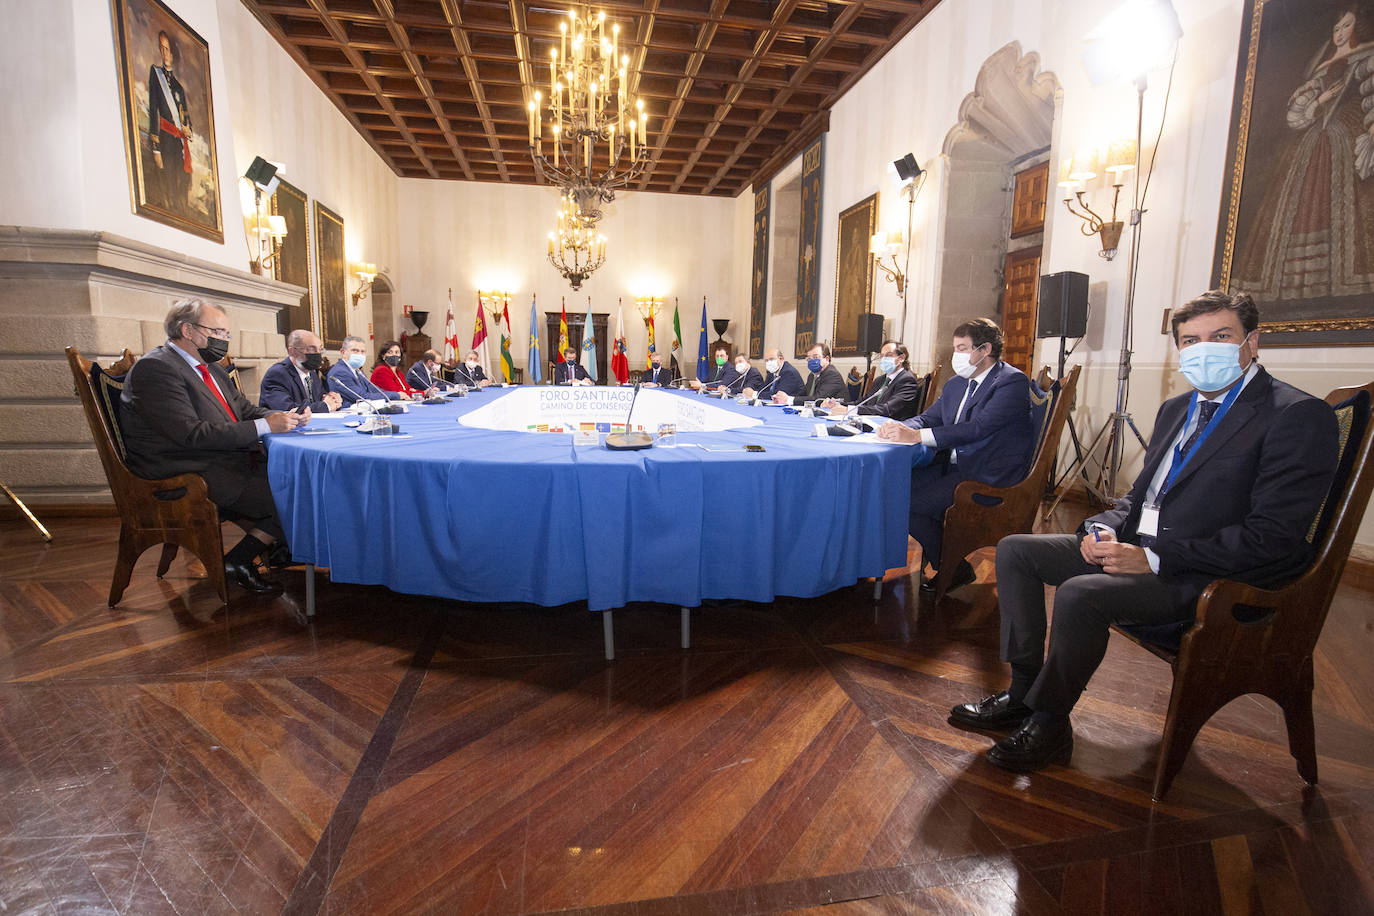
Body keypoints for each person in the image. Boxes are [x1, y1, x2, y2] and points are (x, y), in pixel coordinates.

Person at [949, 291, 1339, 775]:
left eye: (1221, 337)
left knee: (1080, 594)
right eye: (1191, 341)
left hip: (1209, 576)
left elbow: (1273, 538)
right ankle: (1025, 693)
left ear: (1251, 342)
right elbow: (1139, 498)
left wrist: (1155, 559)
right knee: (1015, 551)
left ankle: (1050, 722)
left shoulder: (1293, 414)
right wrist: (1101, 528)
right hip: (1142, 547)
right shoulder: (1177, 408)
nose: (1204, 350)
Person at [120, 298, 306, 595]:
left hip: (216, 458)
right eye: (218, 332)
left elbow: (243, 410)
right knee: (294, 493)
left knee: (298, 478)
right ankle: (238, 560)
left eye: (226, 334)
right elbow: (190, 434)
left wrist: (283, 417)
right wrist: (265, 427)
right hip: (181, 469)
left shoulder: (211, 367)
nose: (224, 340)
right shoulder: (155, 368)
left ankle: (276, 548)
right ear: (188, 330)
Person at [877, 318, 1036, 592]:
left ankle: (953, 567)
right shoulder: (956, 384)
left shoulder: (1011, 381)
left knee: (910, 502)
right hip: (955, 467)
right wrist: (899, 427)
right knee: (892, 488)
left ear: (984, 350)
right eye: (955, 348)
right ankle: (948, 559)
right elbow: (928, 418)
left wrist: (916, 437)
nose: (956, 355)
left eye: (962, 348)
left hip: (988, 474)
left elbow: (979, 428)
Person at [1231, 7, 1374, 303]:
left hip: (1346, 133)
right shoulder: (1322, 68)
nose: (1340, 33)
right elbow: (1297, 115)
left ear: (1356, 26)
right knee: (1299, 204)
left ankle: (1346, 280)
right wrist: (1320, 99)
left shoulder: (1365, 57)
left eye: (1346, 25)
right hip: (1313, 142)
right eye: (1336, 28)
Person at [145, 30, 193, 214]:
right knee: (170, 177)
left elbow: (186, 116)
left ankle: (180, 210)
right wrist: (155, 147)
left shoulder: (179, 87)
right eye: (161, 48)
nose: (164, 53)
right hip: (165, 137)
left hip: (179, 141)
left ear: (172, 53)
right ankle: (173, 210)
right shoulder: (155, 75)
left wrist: (189, 130)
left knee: (182, 178)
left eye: (167, 49)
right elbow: (153, 109)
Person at [826, 340, 920, 420]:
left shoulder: (907, 380)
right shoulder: (880, 380)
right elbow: (864, 402)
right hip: (872, 422)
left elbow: (887, 409)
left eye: (889, 355)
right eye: (882, 356)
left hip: (892, 428)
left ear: (901, 358)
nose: (884, 359)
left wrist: (849, 410)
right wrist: (838, 404)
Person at [259, 329, 343, 414]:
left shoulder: (312, 373)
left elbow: (321, 397)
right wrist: (327, 406)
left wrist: (333, 399)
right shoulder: (277, 374)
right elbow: (289, 409)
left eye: (320, 349)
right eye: (311, 349)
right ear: (292, 351)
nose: (318, 354)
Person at [328, 335, 405, 406]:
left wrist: (396, 394)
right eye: (355, 351)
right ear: (343, 352)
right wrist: (396, 395)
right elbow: (362, 396)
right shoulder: (340, 372)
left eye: (363, 351)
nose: (359, 354)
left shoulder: (357, 370)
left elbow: (373, 389)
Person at [775, 343, 846, 405]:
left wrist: (790, 400)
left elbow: (818, 399)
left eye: (815, 357)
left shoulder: (832, 374)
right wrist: (783, 397)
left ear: (827, 359)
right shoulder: (812, 375)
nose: (812, 361)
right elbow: (803, 394)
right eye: (809, 359)